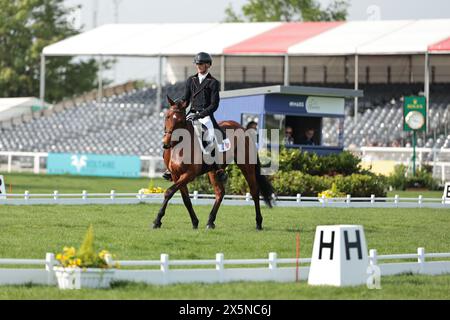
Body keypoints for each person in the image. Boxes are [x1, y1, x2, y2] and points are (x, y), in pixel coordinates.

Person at [163, 52, 229, 182]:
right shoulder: (191, 80)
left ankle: (218, 168)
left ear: (208, 65)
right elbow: (186, 99)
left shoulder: (213, 82)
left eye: (201, 64)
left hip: (205, 115)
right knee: (175, 133)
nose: (199, 66)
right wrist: (178, 104)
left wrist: (200, 115)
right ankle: (170, 168)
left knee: (212, 136)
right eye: (197, 64)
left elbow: (214, 105)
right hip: (191, 114)